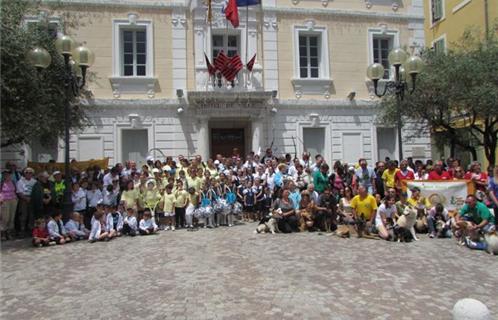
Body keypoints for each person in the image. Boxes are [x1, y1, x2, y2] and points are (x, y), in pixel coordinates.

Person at [16, 167, 38, 237]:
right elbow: (19, 192)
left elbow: (36, 191)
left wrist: (31, 198)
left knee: (32, 215)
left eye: (30, 173)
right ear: (24, 173)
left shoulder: (34, 181)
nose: (28, 174)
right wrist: (26, 198)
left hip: (32, 199)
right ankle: (22, 230)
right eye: (27, 172)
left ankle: (31, 229)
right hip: (23, 199)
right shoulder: (20, 181)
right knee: (23, 215)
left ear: (32, 174)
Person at [0, 170, 18, 240]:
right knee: (5, 217)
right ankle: (3, 233)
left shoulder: (12, 182)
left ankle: (9, 232)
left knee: (11, 217)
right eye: (6, 174)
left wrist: (16, 198)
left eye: (9, 174)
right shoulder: (1, 183)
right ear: (3, 175)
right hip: (4, 201)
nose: (7, 176)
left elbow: (15, 190)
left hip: (13, 200)